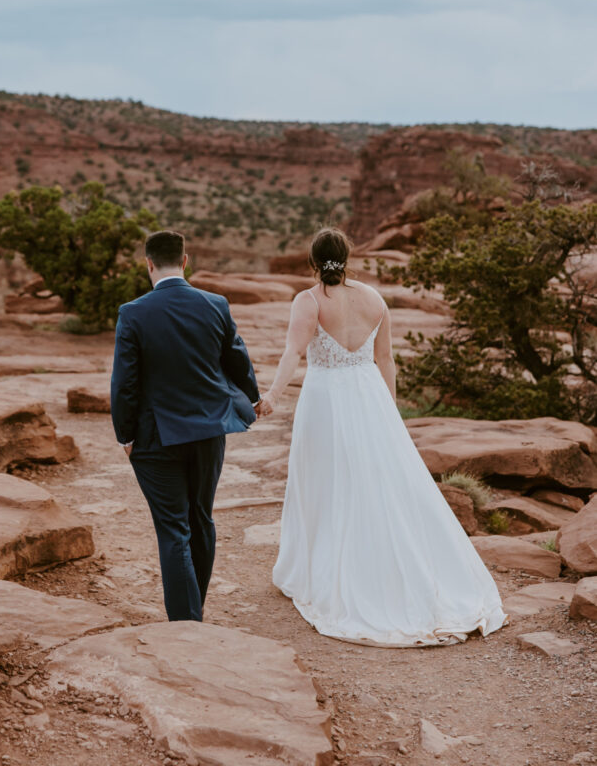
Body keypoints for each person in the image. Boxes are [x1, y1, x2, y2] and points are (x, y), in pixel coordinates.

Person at [258, 227, 507, 647]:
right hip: (370, 396)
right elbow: (385, 358)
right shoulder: (374, 298)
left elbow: (293, 353)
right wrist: (388, 411)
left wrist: (271, 396)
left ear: (313, 260)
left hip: (325, 401)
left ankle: (320, 572)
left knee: (322, 483)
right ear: (348, 255)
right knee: (378, 483)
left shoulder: (309, 300)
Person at [111, 229, 260, 622]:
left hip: (157, 437)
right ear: (185, 260)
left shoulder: (134, 312)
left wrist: (124, 434)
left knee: (174, 529)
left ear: (148, 263)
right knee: (201, 518)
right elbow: (237, 360)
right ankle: (196, 609)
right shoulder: (216, 304)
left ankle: (186, 623)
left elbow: (125, 382)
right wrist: (254, 398)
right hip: (210, 431)